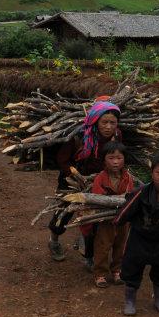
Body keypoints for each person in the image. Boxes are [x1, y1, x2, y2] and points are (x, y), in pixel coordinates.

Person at [114, 151, 159, 316]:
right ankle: (130, 300)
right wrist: (117, 222)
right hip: (139, 238)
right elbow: (126, 209)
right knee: (132, 268)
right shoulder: (142, 192)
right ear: (152, 173)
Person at [48, 99, 122, 262]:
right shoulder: (79, 135)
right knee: (64, 213)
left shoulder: (117, 136)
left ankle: (88, 254)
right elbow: (62, 160)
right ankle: (54, 240)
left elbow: (116, 156)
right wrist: (77, 176)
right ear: (96, 120)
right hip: (72, 179)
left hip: (98, 180)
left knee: (94, 217)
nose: (109, 127)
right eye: (105, 122)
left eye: (113, 122)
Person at [85, 141, 134, 288]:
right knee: (103, 246)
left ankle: (117, 271)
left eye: (119, 158)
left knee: (121, 245)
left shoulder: (128, 178)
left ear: (124, 159)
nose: (115, 162)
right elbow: (97, 197)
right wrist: (115, 201)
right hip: (105, 220)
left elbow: (129, 196)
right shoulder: (100, 178)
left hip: (123, 219)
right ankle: (100, 274)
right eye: (111, 158)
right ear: (104, 160)